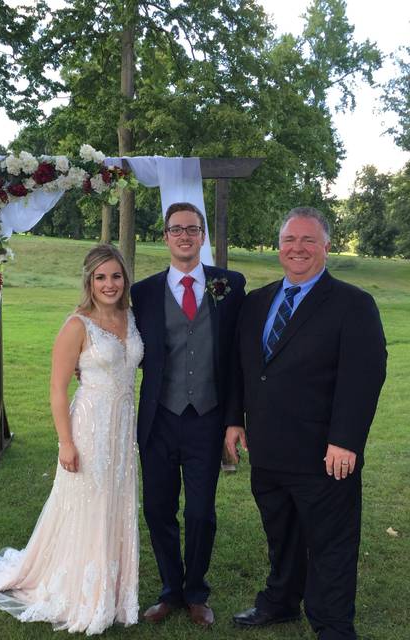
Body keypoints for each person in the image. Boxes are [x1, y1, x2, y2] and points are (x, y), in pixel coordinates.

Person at [0, 244, 144, 635]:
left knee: (115, 502)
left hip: (122, 430)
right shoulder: (77, 324)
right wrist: (66, 443)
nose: (109, 284)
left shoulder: (131, 317)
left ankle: (115, 590)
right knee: (86, 505)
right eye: (101, 277)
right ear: (89, 281)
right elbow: (57, 389)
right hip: (88, 429)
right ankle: (80, 592)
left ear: (125, 279)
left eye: (116, 276)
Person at [225, 207, 386, 640]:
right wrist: (234, 420)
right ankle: (279, 603)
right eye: (290, 241)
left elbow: (364, 375)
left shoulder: (353, 304)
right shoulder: (257, 302)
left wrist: (346, 440)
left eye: (308, 240)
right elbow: (242, 367)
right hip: (269, 450)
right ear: (279, 248)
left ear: (326, 247)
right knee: (282, 536)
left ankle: (332, 625)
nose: (298, 249)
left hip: (324, 455)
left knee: (331, 546)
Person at [130, 202, 246, 627]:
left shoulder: (230, 285)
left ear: (202, 237)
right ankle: (170, 591)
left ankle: (196, 591)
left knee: (200, 511)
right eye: (176, 230)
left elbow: (237, 358)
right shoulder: (142, 292)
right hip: (159, 418)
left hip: (207, 418)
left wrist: (235, 418)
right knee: (158, 509)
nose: (184, 236)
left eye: (192, 229)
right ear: (165, 237)